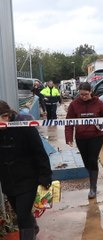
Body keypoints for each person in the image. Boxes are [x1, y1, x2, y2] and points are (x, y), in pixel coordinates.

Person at [0, 100, 52, 240]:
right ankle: (33, 228)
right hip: (8, 181)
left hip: (27, 179)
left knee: (23, 216)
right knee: (20, 211)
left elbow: (39, 152)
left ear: (6, 116)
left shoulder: (25, 127)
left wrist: (45, 176)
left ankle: (28, 234)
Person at [65, 82, 103, 199]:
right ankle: (92, 177)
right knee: (86, 162)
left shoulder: (98, 102)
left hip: (96, 137)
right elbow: (68, 122)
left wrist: (101, 124)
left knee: (92, 159)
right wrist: (69, 138)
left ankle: (92, 188)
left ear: (90, 92)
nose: (83, 97)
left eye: (86, 94)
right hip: (81, 137)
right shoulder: (74, 104)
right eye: (81, 95)